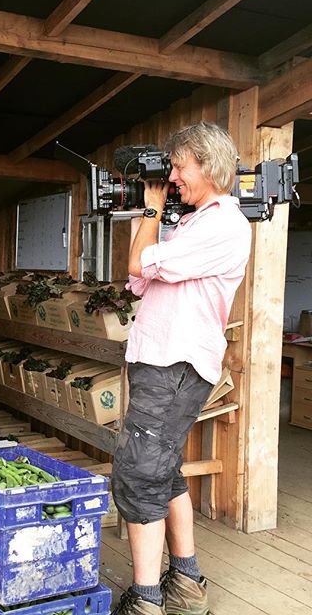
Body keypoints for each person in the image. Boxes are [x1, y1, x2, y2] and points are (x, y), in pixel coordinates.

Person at [110, 122, 251, 615]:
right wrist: (142, 210)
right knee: (162, 470)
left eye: (179, 167)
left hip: (176, 364)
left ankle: (147, 602)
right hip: (161, 361)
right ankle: (186, 586)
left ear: (210, 167)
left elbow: (139, 263)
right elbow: (141, 277)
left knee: (137, 474)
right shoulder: (191, 222)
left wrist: (150, 207)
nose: (172, 177)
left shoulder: (223, 224)